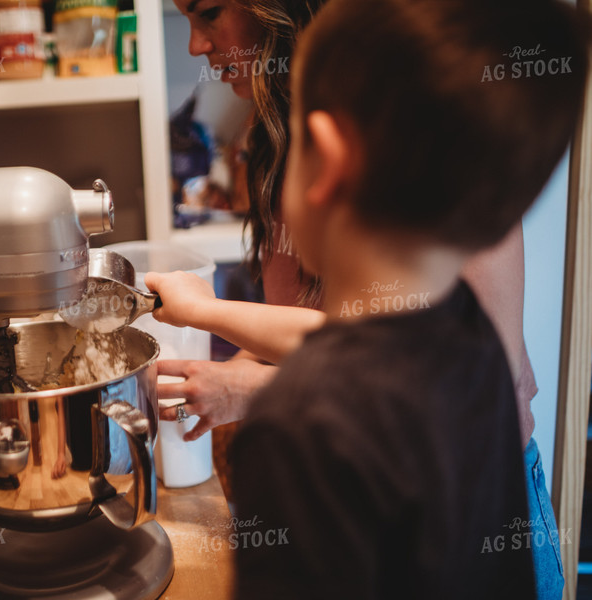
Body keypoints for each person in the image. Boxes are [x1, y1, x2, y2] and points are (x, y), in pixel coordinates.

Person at [150, 0, 589, 595]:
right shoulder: (469, 337)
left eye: (208, 11)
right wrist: (208, 315)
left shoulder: (295, 432)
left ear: (325, 161)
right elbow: (375, 341)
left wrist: (235, 365)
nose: (198, 46)